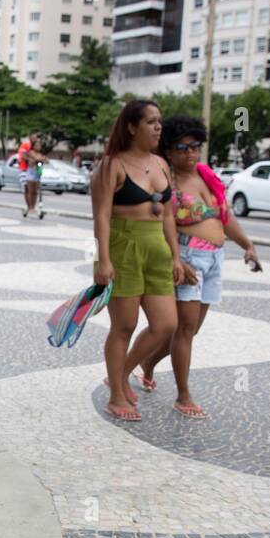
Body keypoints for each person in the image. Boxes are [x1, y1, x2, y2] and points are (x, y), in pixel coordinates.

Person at [134, 115, 262, 418]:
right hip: (188, 258)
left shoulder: (207, 175)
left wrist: (247, 245)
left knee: (188, 331)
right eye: (182, 148)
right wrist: (174, 260)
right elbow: (158, 227)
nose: (190, 153)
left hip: (215, 259)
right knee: (182, 331)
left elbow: (224, 218)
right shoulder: (167, 182)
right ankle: (182, 394)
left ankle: (147, 365)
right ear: (168, 150)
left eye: (195, 147)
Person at [90, 99, 194, 421]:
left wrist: (176, 256)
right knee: (124, 325)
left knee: (167, 325)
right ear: (132, 126)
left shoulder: (162, 165)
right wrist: (102, 260)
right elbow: (102, 217)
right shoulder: (112, 165)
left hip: (157, 250)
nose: (158, 127)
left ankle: (122, 373)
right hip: (124, 247)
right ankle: (116, 394)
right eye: (150, 121)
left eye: (159, 121)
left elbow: (168, 216)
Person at [17, 133, 47, 218]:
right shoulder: (26, 145)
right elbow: (24, 156)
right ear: (30, 137)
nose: (36, 138)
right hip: (24, 168)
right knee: (27, 188)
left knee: (35, 190)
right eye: (34, 137)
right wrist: (33, 159)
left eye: (36, 137)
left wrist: (40, 160)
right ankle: (29, 207)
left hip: (36, 169)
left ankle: (32, 206)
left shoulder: (38, 148)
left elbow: (43, 159)